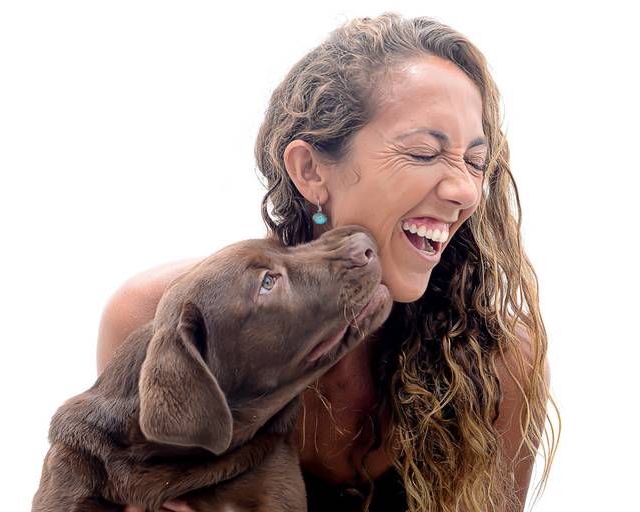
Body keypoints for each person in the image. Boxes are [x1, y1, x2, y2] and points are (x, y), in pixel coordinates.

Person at [97, 13, 560, 512]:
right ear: (310, 170)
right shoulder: (163, 320)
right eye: (425, 152)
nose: (466, 191)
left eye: (474, 162)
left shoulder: (497, 360)